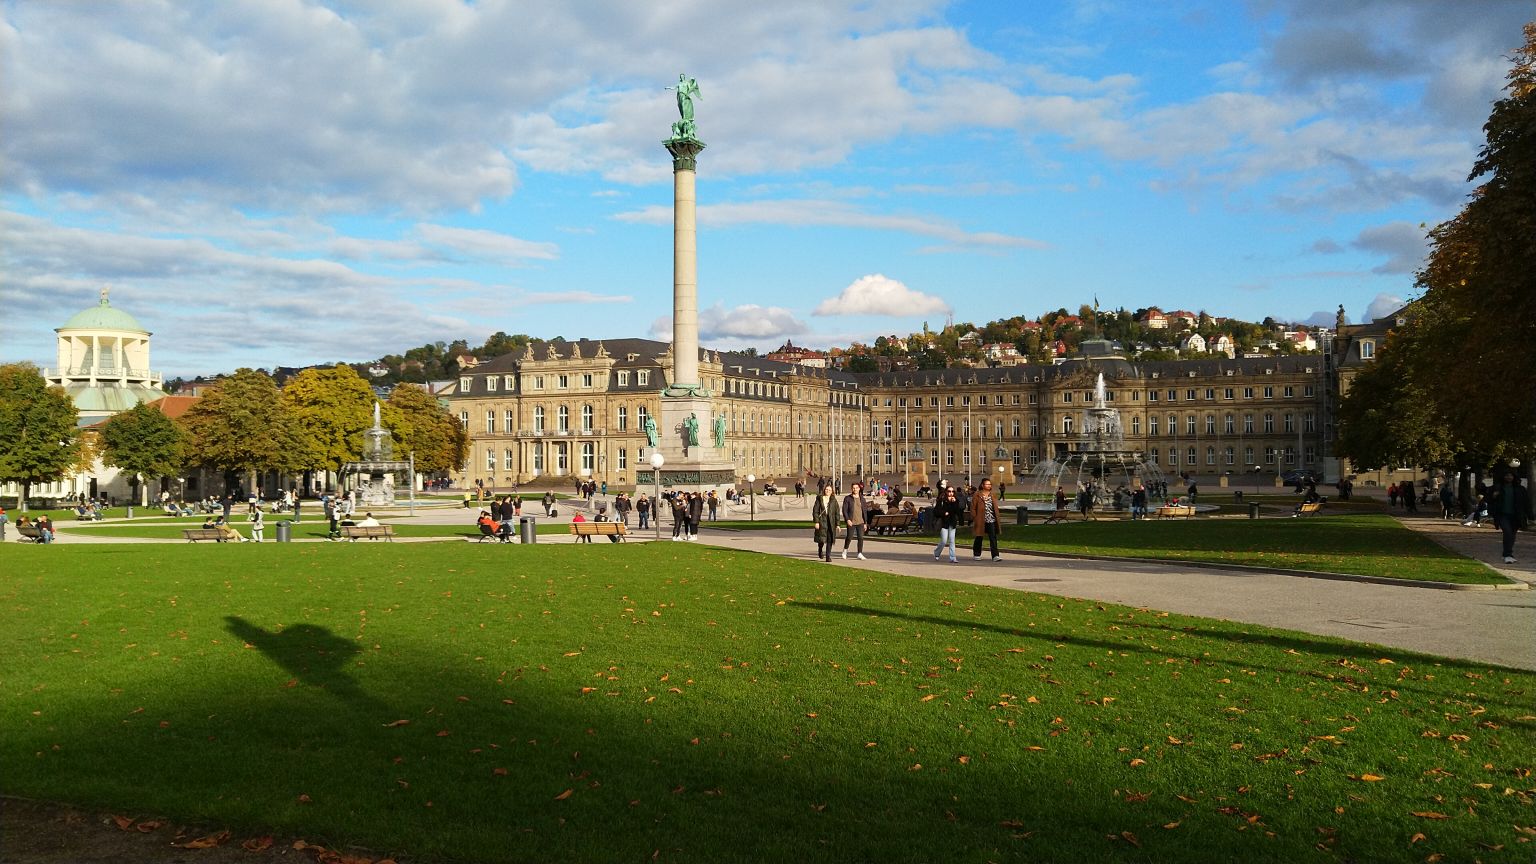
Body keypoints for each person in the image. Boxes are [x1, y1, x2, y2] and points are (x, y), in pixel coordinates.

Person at [1489, 469, 1529, 564]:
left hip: (1516, 515)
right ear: (1503, 477)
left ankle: (1506, 553)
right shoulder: (1497, 487)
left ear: (1514, 477)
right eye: (1506, 475)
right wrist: (1494, 496)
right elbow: (1488, 498)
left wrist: (1529, 515)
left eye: (1511, 475)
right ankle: (1508, 555)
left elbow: (1526, 502)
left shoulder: (1520, 489)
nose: (1509, 477)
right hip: (1503, 515)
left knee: (1512, 535)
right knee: (1507, 532)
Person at [969, 477, 1001, 562]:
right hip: (980, 519)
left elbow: (995, 507)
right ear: (982, 485)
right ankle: (977, 554)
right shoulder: (977, 495)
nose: (989, 486)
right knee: (979, 536)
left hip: (991, 519)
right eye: (987, 484)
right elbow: (973, 508)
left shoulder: (992, 495)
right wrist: (975, 518)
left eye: (990, 484)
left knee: (993, 537)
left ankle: (995, 555)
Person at [932, 486, 963, 563]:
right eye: (949, 491)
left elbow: (958, 511)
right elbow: (936, 511)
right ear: (946, 492)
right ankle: (937, 553)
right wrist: (943, 513)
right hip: (944, 523)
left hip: (952, 523)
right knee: (944, 541)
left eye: (952, 491)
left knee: (952, 540)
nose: (951, 493)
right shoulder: (942, 501)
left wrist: (955, 502)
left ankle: (953, 557)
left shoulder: (955, 500)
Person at [811, 482, 839, 562]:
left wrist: (838, 524)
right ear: (824, 490)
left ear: (832, 491)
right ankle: (820, 549)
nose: (828, 491)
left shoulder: (833, 500)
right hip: (822, 520)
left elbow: (837, 512)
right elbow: (815, 511)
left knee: (830, 539)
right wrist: (816, 522)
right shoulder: (819, 498)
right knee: (822, 539)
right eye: (826, 489)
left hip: (831, 521)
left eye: (829, 490)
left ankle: (828, 556)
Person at [840, 481, 868, 560]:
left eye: (856, 488)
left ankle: (859, 553)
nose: (855, 489)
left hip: (861, 521)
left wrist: (865, 523)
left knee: (860, 538)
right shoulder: (848, 498)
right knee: (849, 537)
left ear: (859, 489)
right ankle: (845, 550)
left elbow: (865, 511)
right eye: (853, 488)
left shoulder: (862, 499)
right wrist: (847, 519)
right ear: (851, 489)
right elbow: (844, 510)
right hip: (852, 521)